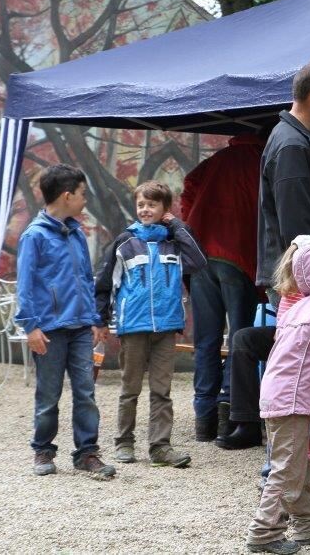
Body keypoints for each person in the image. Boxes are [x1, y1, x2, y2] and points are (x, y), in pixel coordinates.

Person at [223, 60, 310, 450]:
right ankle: (297, 473)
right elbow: (298, 232)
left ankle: (292, 470)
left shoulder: (291, 139)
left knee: (293, 361)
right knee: (301, 370)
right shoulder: (292, 145)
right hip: (303, 280)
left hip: (299, 277)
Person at [94, 180, 207, 468]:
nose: (145, 209)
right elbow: (105, 284)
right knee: (130, 388)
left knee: (162, 390)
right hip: (133, 327)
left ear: (165, 209)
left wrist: (178, 227)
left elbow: (199, 261)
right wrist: (101, 320)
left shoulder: (174, 243)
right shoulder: (124, 243)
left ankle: (160, 448)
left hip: (166, 328)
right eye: (141, 204)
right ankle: (124, 442)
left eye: (152, 204)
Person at [246, 244, 310, 555]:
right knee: (286, 469)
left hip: (276, 393)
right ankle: (263, 532)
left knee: (298, 463)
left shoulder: (296, 306)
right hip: (294, 397)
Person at [15, 164, 115, 479]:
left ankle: (87, 453)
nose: (86, 200)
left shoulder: (76, 233)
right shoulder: (34, 236)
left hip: (80, 330)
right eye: (83, 194)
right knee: (49, 394)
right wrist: (30, 326)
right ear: (67, 195)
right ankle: (43, 449)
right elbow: (25, 284)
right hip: (49, 332)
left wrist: (96, 319)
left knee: (86, 392)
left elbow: (87, 280)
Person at [181, 134, 265, 443]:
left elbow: (188, 188)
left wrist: (193, 225)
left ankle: (204, 418)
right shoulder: (265, 162)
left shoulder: (214, 162)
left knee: (206, 340)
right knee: (240, 338)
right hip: (239, 258)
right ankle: (230, 409)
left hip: (202, 255)